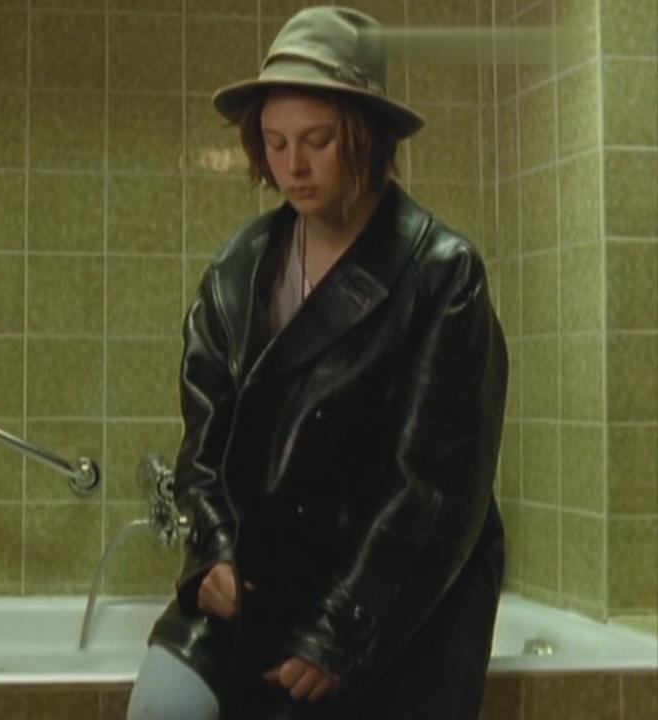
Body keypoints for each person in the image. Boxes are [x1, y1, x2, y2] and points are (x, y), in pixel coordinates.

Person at [128, 7, 507, 719]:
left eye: (317, 141)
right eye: (275, 143)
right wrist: (212, 552)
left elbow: (432, 487)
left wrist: (340, 632)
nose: (292, 166)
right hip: (259, 575)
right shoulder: (238, 271)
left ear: (367, 135)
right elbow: (203, 449)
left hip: (390, 594)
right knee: (162, 706)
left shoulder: (441, 274)